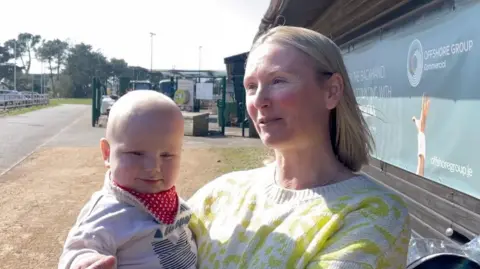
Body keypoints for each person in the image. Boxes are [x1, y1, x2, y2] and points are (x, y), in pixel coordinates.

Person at [73, 26, 411, 269]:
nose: (260, 101)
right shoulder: (220, 193)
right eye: (251, 86)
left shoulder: (373, 213)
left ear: (332, 91)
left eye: (278, 81)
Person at [58, 90, 197, 269]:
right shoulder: (108, 211)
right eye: (136, 153)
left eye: (167, 155)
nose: (153, 167)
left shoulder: (171, 201)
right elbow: (78, 249)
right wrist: (85, 262)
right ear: (107, 153)